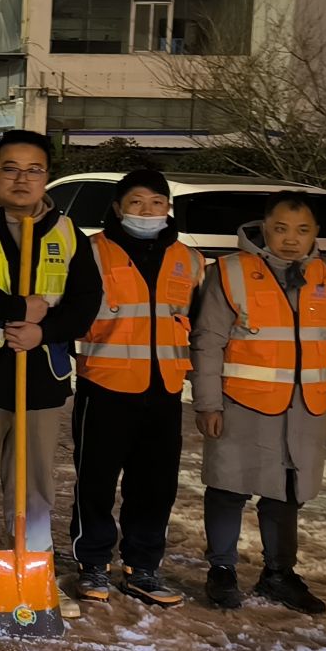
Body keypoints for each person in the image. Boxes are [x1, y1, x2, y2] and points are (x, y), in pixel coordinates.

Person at [0, 131, 102, 615]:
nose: (22, 179)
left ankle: (31, 576)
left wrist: (43, 332)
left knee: (33, 487)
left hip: (41, 379)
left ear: (46, 177)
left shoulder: (67, 233)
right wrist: (11, 313)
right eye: (10, 168)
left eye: (34, 170)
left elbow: (84, 304)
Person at [191, 192, 326, 614]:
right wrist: (208, 404)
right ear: (264, 228)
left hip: (305, 408)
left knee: (288, 491)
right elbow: (208, 341)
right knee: (228, 487)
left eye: (302, 230)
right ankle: (222, 570)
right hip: (241, 404)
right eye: (280, 229)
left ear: (316, 233)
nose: (290, 239)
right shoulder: (230, 272)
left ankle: (279, 574)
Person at [69, 169, 203, 605]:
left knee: (155, 485)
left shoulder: (188, 259)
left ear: (168, 208)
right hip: (105, 385)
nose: (147, 211)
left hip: (164, 389)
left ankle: (142, 567)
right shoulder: (92, 252)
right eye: (136, 202)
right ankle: (92, 563)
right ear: (118, 208)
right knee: (96, 481)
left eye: (156, 203)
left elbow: (196, 321)